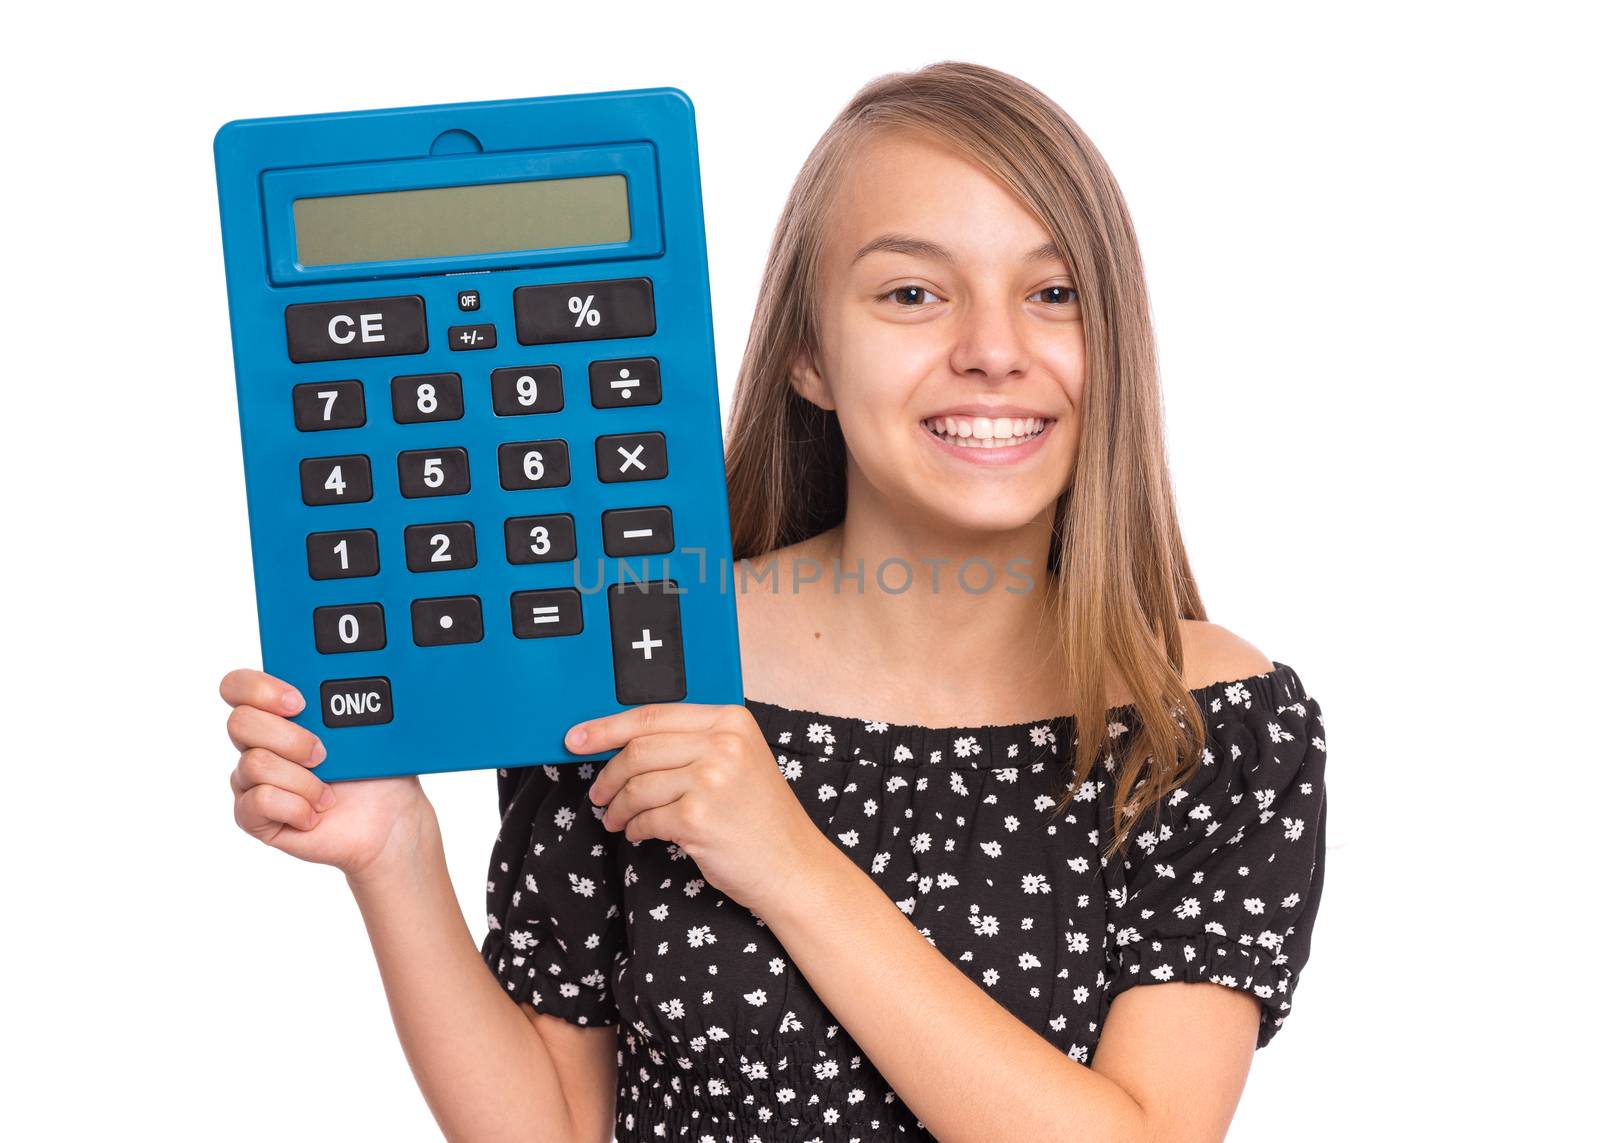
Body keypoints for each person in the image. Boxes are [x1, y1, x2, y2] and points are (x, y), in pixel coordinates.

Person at [222, 61, 1328, 1142]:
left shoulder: (1214, 728)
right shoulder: (644, 670)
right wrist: (393, 855)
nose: (993, 351)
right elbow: (554, 1125)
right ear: (808, 353)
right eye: (911, 294)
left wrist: (786, 862)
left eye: (1052, 295)